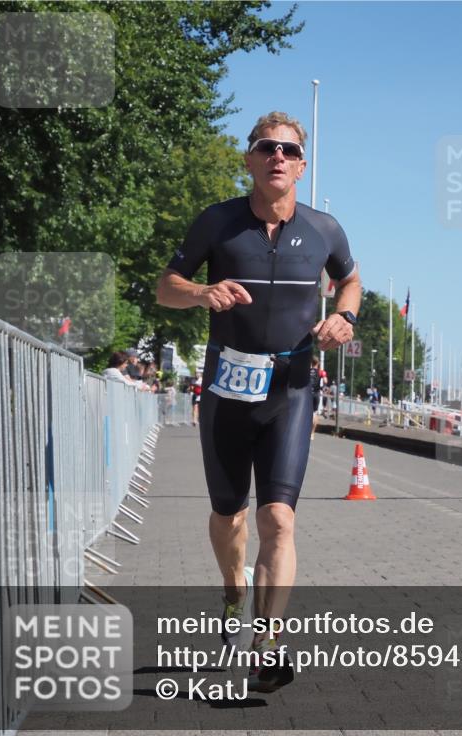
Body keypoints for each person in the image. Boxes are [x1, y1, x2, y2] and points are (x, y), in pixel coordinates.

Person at [155, 111, 361, 692]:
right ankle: (231, 590)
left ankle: (268, 643)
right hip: (226, 389)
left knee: (278, 518)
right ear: (249, 159)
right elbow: (164, 287)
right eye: (266, 148)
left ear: (301, 165)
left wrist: (344, 316)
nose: (277, 157)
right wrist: (201, 292)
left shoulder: (325, 229)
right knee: (230, 515)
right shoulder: (217, 223)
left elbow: (350, 279)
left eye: (289, 151)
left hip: (291, 389)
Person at [309, 357, 323, 440]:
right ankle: (312, 433)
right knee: (315, 413)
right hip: (316, 394)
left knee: (306, 412)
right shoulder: (321, 372)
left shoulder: (308, 371)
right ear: (318, 363)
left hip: (308, 393)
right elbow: (325, 381)